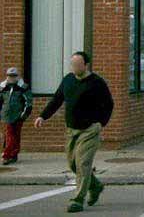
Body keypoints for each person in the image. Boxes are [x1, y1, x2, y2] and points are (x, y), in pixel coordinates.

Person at [35, 51, 113, 214]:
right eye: (73, 64)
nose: (75, 67)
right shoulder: (68, 80)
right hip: (72, 129)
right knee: (73, 164)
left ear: (86, 65)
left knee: (83, 163)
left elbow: (108, 104)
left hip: (90, 130)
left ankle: (77, 199)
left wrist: (100, 123)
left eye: (78, 65)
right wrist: (43, 116)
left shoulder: (96, 83)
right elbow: (57, 99)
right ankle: (96, 186)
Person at [1, 67, 33, 165]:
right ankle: (10, 154)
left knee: (13, 135)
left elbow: (28, 102)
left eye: (13, 76)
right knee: (11, 135)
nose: (11, 78)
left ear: (17, 77)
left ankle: (9, 155)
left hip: (18, 115)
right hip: (7, 116)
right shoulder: (3, 87)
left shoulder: (23, 87)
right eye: (9, 76)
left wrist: (23, 115)